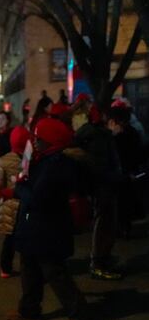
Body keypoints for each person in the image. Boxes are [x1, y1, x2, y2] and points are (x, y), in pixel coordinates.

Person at [8, 118, 97, 320]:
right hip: (37, 226)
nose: (35, 142)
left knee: (55, 272)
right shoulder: (47, 159)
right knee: (29, 268)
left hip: (47, 228)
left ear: (51, 142)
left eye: (39, 139)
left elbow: (36, 197)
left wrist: (18, 186)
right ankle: (29, 309)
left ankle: (81, 318)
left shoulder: (56, 165)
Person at [70, 95, 124, 280]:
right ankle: (98, 263)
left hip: (102, 187)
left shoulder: (93, 135)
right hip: (104, 189)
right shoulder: (98, 137)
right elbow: (102, 166)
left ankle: (102, 260)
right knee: (104, 226)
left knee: (106, 225)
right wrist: (117, 177)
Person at [0, 125, 31, 278]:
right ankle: (28, 267)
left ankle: (5, 268)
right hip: (25, 203)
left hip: (9, 203)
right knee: (26, 238)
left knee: (9, 238)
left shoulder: (2, 161)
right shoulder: (30, 159)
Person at [107, 100, 146, 237]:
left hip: (122, 173)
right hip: (127, 173)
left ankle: (122, 228)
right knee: (125, 201)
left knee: (122, 202)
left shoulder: (118, 135)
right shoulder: (132, 132)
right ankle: (124, 227)